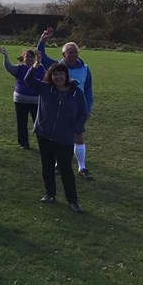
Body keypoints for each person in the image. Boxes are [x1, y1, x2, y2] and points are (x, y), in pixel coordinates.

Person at [24, 53, 88, 213]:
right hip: (44, 134)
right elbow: (28, 80)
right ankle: (50, 194)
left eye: (60, 73)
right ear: (50, 76)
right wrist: (36, 65)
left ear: (66, 75)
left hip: (65, 138)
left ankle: (73, 201)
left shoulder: (76, 93)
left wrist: (75, 128)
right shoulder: (46, 89)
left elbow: (83, 113)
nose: (58, 77)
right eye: (54, 74)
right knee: (47, 166)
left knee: (66, 169)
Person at [37, 28, 94, 179]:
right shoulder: (57, 66)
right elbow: (41, 57)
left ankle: (82, 167)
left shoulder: (86, 69)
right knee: (58, 136)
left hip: (76, 106)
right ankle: (57, 164)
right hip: (59, 105)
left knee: (78, 134)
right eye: (70, 52)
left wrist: (88, 108)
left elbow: (88, 90)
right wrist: (42, 40)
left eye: (75, 52)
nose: (73, 55)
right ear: (63, 54)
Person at [0, 47, 43, 149]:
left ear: (35, 59)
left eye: (32, 57)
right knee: (22, 122)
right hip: (20, 100)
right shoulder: (20, 68)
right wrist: (5, 55)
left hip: (36, 101)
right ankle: (23, 143)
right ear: (23, 58)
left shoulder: (40, 68)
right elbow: (8, 67)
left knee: (39, 123)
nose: (29, 59)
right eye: (27, 57)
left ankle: (42, 143)